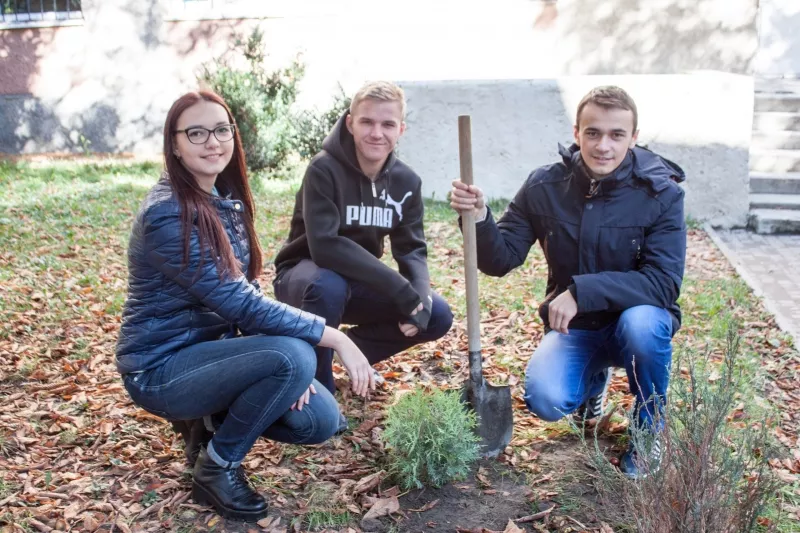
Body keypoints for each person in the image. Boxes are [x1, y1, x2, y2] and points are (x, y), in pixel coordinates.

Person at [115, 90, 375, 522]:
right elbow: (239, 303)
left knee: (319, 421)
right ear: (174, 145)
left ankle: (206, 424)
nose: (212, 142)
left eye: (221, 130)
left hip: (212, 354)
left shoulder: (222, 197)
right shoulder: (167, 215)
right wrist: (331, 340)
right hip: (161, 368)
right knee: (294, 355)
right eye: (196, 133)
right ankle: (217, 468)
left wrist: (284, 369)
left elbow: (247, 289)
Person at [449, 86, 686, 479]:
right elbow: (500, 260)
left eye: (616, 134)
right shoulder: (544, 186)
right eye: (593, 133)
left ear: (634, 138)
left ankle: (649, 428)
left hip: (636, 323)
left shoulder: (661, 193)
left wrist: (581, 291)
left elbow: (663, 283)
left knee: (642, 325)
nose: (603, 146)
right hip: (577, 328)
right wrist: (479, 217)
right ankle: (592, 384)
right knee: (546, 399)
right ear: (577, 133)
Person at [273, 81, 453, 405]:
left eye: (388, 124)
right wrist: (400, 289)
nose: (376, 133)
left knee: (436, 314)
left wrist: (419, 296)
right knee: (328, 285)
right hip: (303, 279)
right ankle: (320, 393)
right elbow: (325, 246)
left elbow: (411, 248)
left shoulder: (407, 181)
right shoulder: (323, 169)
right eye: (367, 122)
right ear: (350, 123)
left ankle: (346, 350)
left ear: (401, 129)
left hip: (354, 282)